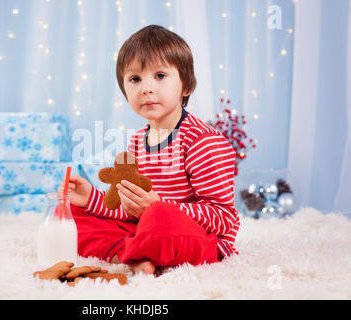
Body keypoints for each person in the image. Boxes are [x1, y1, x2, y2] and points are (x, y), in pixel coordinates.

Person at [58, 25, 240, 275]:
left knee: (160, 217)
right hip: (148, 227)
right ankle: (136, 254)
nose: (146, 88)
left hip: (201, 240)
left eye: (160, 76)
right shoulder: (136, 142)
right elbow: (129, 208)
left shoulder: (203, 141)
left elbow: (223, 217)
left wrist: (158, 207)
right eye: (135, 79)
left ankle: (133, 251)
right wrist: (90, 198)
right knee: (72, 215)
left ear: (186, 86)